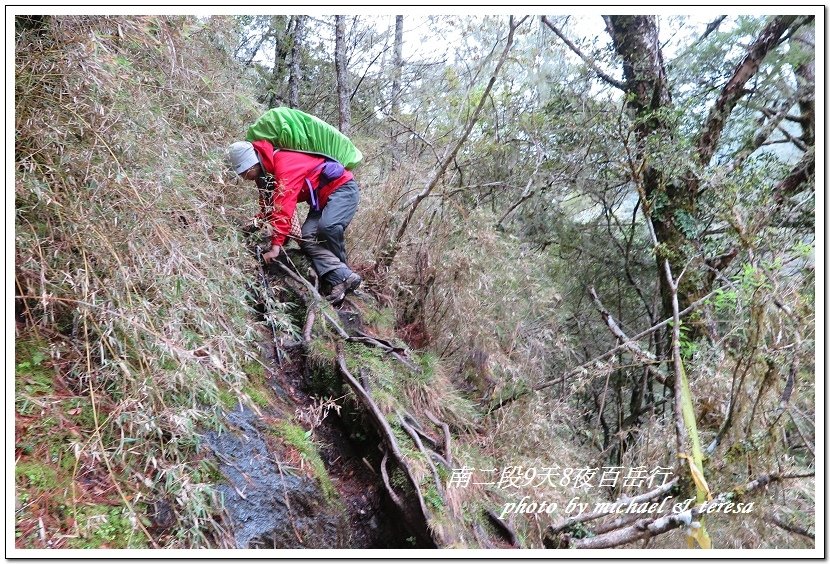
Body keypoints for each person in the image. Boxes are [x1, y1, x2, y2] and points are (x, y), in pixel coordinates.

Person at [227, 139, 361, 304]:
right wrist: (257, 222)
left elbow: (284, 206)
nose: (242, 177)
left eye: (242, 172)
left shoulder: (284, 163)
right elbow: (270, 205)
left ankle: (344, 277)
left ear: (251, 165)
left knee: (328, 227)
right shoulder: (265, 173)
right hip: (320, 201)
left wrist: (276, 247)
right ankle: (341, 277)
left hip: (342, 188)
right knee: (306, 237)